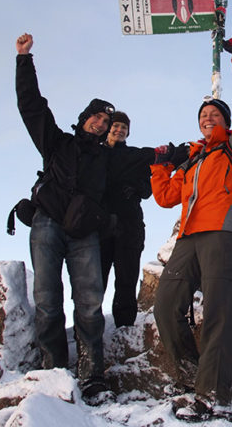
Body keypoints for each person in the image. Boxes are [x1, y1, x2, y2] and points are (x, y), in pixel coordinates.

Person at [150, 34, 232, 423]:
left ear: (226, 123)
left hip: (225, 235)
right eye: (202, 117)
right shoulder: (193, 161)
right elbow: (165, 197)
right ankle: (189, 383)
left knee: (217, 312)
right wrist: (161, 163)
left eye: (214, 116)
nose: (207, 120)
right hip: (189, 237)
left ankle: (215, 399)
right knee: (165, 307)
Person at [15, 33, 112, 405]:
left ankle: (92, 377)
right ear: (85, 118)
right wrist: (25, 60)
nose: (100, 124)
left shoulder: (108, 159)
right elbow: (32, 107)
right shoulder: (58, 143)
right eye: (96, 117)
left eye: (105, 121)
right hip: (48, 223)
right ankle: (53, 372)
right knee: (47, 298)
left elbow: (140, 169)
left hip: (84, 232)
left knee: (89, 302)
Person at [99, 111, 155, 328]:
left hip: (129, 225)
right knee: (95, 280)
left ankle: (124, 327)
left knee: (126, 279)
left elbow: (147, 189)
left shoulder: (134, 156)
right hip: (99, 226)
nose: (119, 130)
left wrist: (134, 188)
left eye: (124, 127)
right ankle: (89, 330)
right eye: (116, 126)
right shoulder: (95, 154)